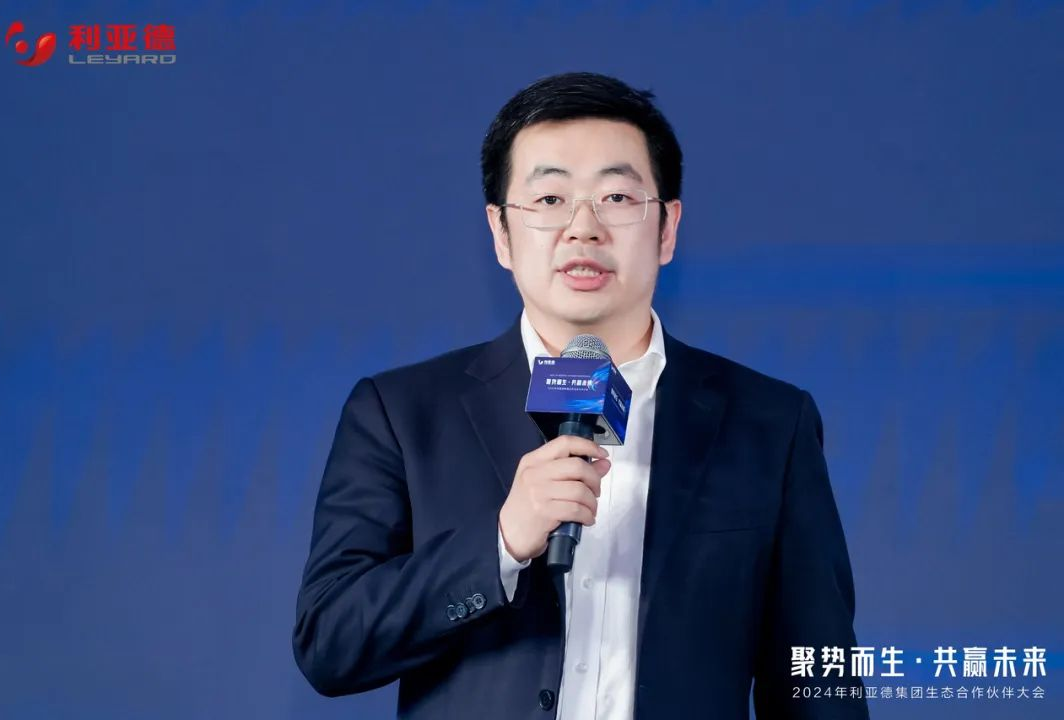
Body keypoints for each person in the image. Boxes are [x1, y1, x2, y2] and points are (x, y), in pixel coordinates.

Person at [292, 71, 869, 720]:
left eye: (617, 196)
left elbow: (821, 681)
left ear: (667, 228)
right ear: (501, 234)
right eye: (549, 199)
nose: (583, 228)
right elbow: (329, 642)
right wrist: (503, 541)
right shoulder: (401, 414)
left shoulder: (768, 423)